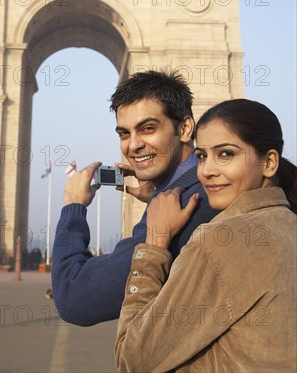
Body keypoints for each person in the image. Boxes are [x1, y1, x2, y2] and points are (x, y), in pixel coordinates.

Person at [115, 99, 297, 372]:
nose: (207, 171)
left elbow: (132, 359)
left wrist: (154, 242)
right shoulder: (288, 224)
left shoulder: (218, 242)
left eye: (225, 154)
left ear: (269, 162)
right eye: (201, 156)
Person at [52, 70, 217, 325]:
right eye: (124, 134)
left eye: (148, 128)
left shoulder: (181, 207)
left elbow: (74, 297)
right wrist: (156, 194)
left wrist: (74, 206)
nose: (134, 145)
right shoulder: (209, 185)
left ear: (184, 128)